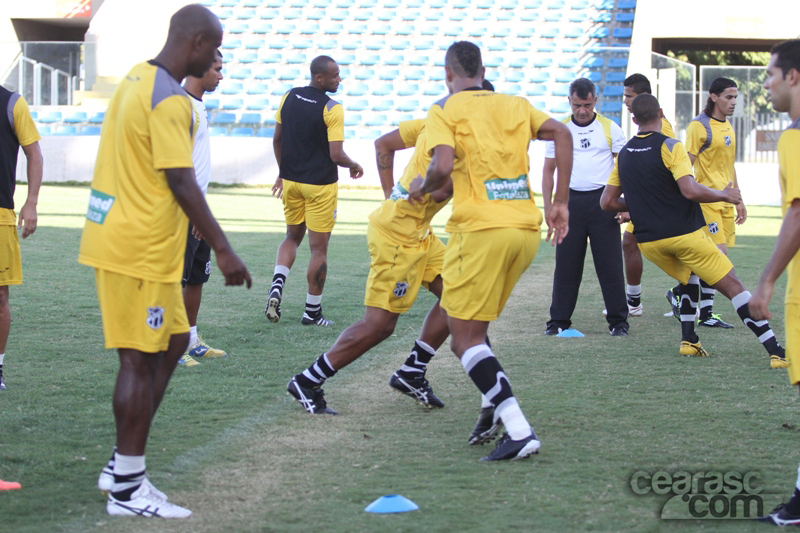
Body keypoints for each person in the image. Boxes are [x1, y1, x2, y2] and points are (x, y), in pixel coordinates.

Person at [80, 5, 251, 518]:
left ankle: (121, 464)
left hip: (129, 239)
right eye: (214, 49)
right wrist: (224, 248)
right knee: (138, 359)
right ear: (195, 43)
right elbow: (181, 179)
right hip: (138, 247)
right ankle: (128, 489)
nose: (215, 59)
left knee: (176, 341)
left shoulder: (137, 77)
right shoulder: (171, 99)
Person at [286, 79, 497, 419]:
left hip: (419, 232)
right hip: (398, 236)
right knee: (379, 326)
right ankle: (307, 381)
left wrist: (391, 196)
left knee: (460, 294)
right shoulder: (460, 141)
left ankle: (412, 371)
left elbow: (383, 144)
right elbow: (441, 191)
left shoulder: (433, 123)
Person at [408, 41, 573, 461]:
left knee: (464, 341)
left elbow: (441, 166)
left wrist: (419, 187)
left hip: (480, 231)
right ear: (483, 71)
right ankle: (491, 411)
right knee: (474, 331)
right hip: (524, 230)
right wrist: (560, 202)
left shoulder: (445, 108)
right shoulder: (516, 104)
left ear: (448, 74)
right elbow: (562, 132)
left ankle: (519, 430)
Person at [600, 93, 785, 367]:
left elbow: (607, 202)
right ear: (660, 114)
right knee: (733, 284)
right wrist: (724, 195)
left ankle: (690, 341)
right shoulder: (670, 146)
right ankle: (777, 352)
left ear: (634, 120)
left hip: (649, 243)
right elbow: (689, 190)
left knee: (690, 278)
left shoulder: (624, 154)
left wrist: (641, 204)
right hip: (683, 234)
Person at [266, 55, 364, 326]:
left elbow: (277, 140)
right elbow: (336, 154)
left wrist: (283, 172)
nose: (339, 80)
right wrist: (354, 165)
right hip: (320, 185)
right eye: (335, 76)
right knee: (318, 249)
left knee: (291, 237)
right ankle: (312, 312)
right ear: (319, 78)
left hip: (292, 181)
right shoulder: (332, 108)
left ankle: (277, 285)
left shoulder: (289, 96)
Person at [749, 39, 800, 526]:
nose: (765, 84)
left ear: (793, 77)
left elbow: (799, 212)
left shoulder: (796, 137)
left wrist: (765, 282)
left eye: (770, 74)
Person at [543, 77, 629, 336]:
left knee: (610, 265)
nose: (582, 111)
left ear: (596, 101)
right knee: (566, 266)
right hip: (569, 203)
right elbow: (548, 171)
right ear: (569, 101)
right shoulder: (559, 129)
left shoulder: (610, 128)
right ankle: (558, 322)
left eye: (588, 105)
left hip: (603, 203)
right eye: (577, 105)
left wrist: (625, 205)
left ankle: (618, 323)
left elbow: (624, 170)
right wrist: (548, 207)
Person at [678, 77, 746, 329]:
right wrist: (684, 195)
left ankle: (699, 309)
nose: (734, 101)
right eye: (729, 97)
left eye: (735, 97)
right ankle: (692, 303)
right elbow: (686, 165)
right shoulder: (699, 126)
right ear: (714, 97)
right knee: (718, 255)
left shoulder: (728, 125)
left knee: (712, 257)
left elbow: (730, 166)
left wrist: (739, 199)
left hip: (726, 201)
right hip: (707, 201)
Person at [178, 49, 227, 367]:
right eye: (217, 69)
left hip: (198, 207)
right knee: (175, 280)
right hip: (182, 210)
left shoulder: (198, 104)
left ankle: (191, 340)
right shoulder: (180, 106)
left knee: (197, 276)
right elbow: (177, 164)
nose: (221, 76)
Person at [617, 73, 676, 315]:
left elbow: (663, 171)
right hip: (651, 202)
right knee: (630, 242)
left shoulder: (662, 129)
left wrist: (634, 207)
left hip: (662, 204)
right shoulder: (646, 125)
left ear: (643, 97)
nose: (625, 101)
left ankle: (689, 299)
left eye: (629, 96)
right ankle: (634, 302)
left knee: (679, 248)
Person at [0, 84, 43, 391]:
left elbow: (34, 154)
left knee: (0, 297)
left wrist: (32, 202)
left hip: (1, 214)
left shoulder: (12, 103)